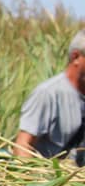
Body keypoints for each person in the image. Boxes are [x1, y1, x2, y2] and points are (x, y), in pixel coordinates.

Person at [13, 29, 85, 166]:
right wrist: (34, 181)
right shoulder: (48, 94)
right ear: (76, 57)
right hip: (54, 179)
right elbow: (22, 145)